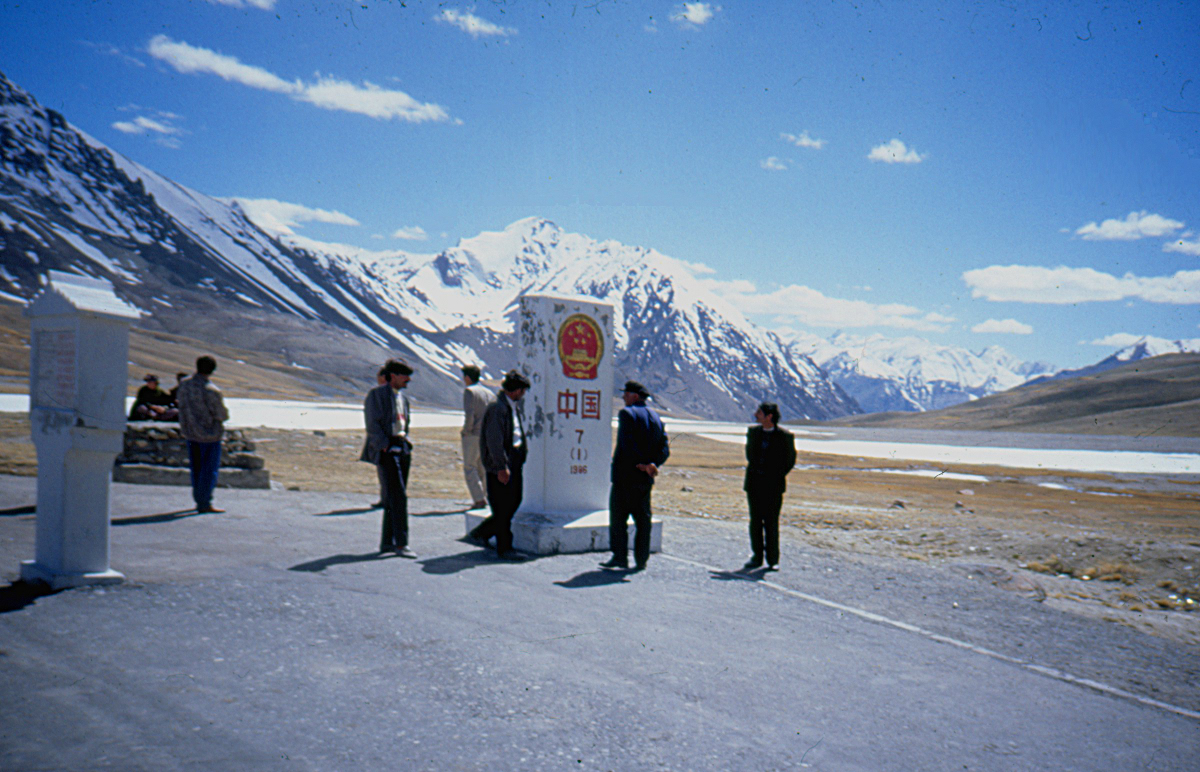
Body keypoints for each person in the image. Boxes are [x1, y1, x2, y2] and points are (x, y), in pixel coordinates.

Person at [601, 380, 669, 572]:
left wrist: (640, 463)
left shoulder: (627, 414)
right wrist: (653, 464)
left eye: (626, 393)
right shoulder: (657, 418)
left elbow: (626, 444)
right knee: (643, 520)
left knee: (618, 518)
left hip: (626, 476)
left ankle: (620, 557)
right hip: (645, 479)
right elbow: (664, 448)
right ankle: (641, 559)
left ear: (635, 396)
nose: (623, 397)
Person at [470, 370, 531, 560]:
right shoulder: (497, 408)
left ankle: (483, 532)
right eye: (522, 391)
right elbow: (494, 441)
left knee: (513, 501)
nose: (523, 395)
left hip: (514, 459)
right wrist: (500, 466)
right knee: (504, 505)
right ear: (516, 391)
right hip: (503, 461)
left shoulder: (511, 407)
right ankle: (505, 547)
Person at [361, 359, 417, 558]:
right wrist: (385, 446)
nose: (408, 380)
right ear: (393, 376)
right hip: (388, 448)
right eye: (404, 376)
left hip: (402, 447)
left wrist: (406, 443)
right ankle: (401, 544)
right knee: (399, 496)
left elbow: (404, 424)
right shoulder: (376, 395)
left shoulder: (403, 398)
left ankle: (387, 543)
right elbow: (372, 424)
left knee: (395, 496)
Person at [742, 402, 797, 571]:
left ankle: (773, 559)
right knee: (755, 522)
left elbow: (789, 460)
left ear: (769, 416)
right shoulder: (753, 433)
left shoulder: (785, 436)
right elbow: (750, 455)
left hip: (773, 487)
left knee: (771, 522)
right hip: (754, 485)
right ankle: (757, 557)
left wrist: (774, 476)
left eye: (759, 412)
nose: (755, 415)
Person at [176, 356, 229, 513]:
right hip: (209, 435)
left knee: (196, 468)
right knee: (208, 469)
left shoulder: (184, 385)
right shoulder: (211, 390)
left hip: (190, 433)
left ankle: (199, 499)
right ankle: (204, 502)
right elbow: (221, 415)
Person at [460, 364, 495, 510]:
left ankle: (479, 499)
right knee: (483, 467)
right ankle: (485, 496)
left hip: (474, 434)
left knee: (470, 467)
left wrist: (466, 431)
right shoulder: (489, 393)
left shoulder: (469, 391)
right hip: (488, 435)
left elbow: (470, 414)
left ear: (467, 377)